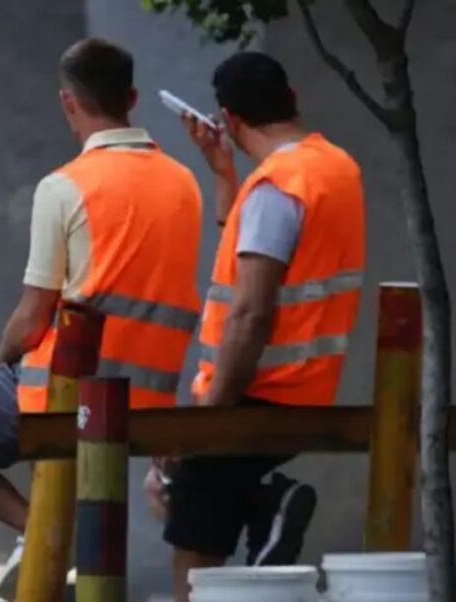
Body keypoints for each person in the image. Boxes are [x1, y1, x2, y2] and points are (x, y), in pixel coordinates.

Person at [0, 37, 202, 600]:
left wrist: (4, 361)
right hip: (150, 396)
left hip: (67, 392)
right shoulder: (184, 184)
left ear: (68, 102)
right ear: (132, 97)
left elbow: (32, 314)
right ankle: (46, 541)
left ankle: (40, 534)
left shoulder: (65, 186)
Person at [163, 51, 366, 602]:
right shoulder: (335, 168)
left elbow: (250, 312)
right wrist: (225, 176)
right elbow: (259, 252)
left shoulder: (277, 188)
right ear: (292, 97)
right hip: (306, 392)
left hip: (250, 397)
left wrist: (208, 420)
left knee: (193, 560)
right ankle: (265, 503)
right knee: (173, 495)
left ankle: (267, 503)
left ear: (227, 119)